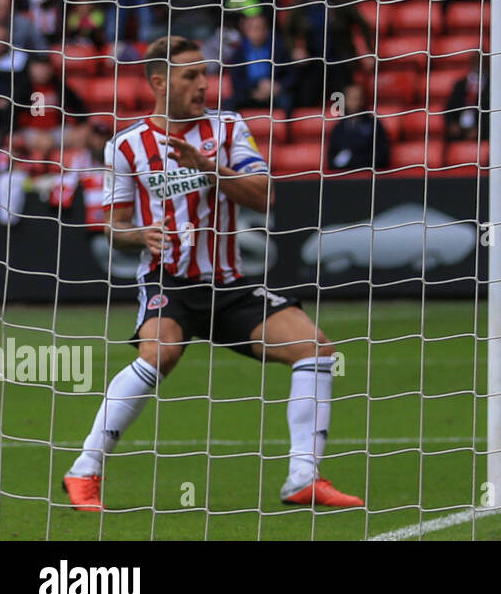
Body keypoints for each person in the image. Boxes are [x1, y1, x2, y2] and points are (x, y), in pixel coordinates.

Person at [63, 35, 362, 511]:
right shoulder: (126, 146)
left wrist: (208, 168)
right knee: (160, 353)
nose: (204, 84)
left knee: (316, 350)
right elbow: (113, 228)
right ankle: (84, 470)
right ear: (160, 82)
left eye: (205, 74)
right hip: (169, 282)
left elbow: (265, 195)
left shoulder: (228, 128)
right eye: (191, 76)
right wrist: (141, 235)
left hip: (228, 285)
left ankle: (303, 477)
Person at [327, 82, 389, 171]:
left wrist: (353, 159)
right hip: (343, 178)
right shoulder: (338, 127)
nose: (354, 102)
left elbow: (382, 156)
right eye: (351, 98)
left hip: (368, 176)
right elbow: (331, 159)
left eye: (357, 98)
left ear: (363, 100)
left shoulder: (374, 124)